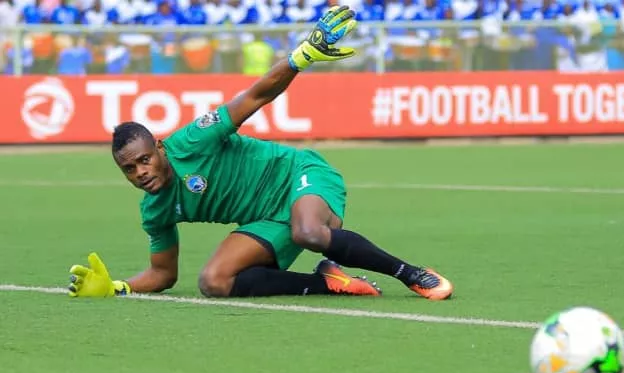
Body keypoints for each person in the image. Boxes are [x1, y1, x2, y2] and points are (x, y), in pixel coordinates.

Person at [67, 6, 454, 301]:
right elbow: (163, 274)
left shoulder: (193, 140)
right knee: (214, 282)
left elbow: (255, 96)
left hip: (298, 175)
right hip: (266, 219)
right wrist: (118, 287)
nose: (140, 172)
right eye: (129, 169)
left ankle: (411, 273)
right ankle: (327, 283)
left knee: (308, 231)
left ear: (160, 147)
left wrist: (301, 57)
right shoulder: (155, 211)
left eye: (144, 159)